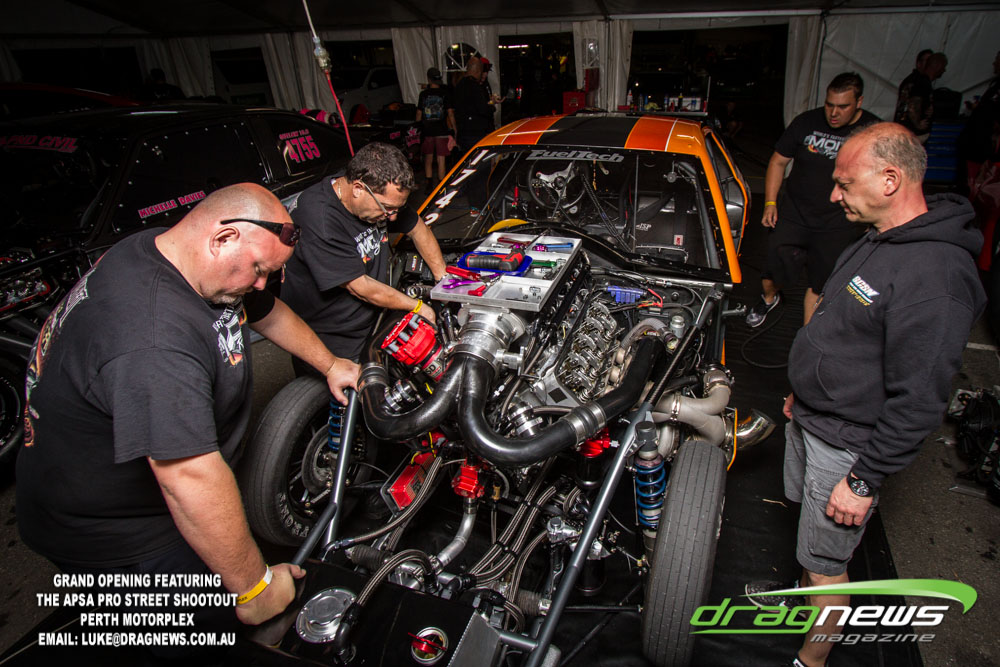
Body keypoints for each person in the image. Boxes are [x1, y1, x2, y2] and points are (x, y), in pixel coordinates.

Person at [16, 184, 360, 651]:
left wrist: (330, 363)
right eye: (259, 270)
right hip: (118, 533)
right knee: (201, 639)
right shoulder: (153, 338)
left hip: (138, 492)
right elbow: (189, 476)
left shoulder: (173, 253)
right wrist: (255, 588)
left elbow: (265, 311)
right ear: (223, 238)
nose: (262, 284)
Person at [746, 123, 986, 667]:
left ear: (890, 180)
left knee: (827, 567)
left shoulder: (938, 280)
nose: (834, 196)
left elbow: (919, 400)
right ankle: (801, 596)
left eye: (844, 184)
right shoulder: (882, 235)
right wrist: (803, 390)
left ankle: (810, 659)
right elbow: (842, 324)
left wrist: (862, 480)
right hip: (814, 416)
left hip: (847, 446)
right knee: (806, 532)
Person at [280, 142, 447, 368]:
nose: (393, 217)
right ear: (358, 188)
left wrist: (443, 280)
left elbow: (417, 228)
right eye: (387, 208)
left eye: (396, 209)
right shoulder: (319, 218)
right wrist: (418, 307)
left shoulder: (373, 188)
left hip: (374, 318)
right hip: (331, 337)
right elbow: (361, 287)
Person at [747, 72, 879, 328]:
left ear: (859, 102)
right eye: (830, 105)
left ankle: (807, 336)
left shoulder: (872, 131)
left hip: (838, 223)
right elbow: (778, 162)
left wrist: (870, 217)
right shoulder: (806, 122)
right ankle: (768, 299)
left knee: (821, 283)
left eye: (843, 106)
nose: (834, 113)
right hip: (794, 215)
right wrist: (770, 203)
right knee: (774, 267)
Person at [416, 67, 456, 189]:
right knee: (440, 159)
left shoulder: (423, 94)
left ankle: (429, 185)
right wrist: (454, 128)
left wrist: (417, 127)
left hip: (427, 130)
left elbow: (419, 113)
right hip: (441, 130)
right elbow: (450, 113)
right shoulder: (445, 93)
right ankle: (441, 186)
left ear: (428, 79)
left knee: (428, 158)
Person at [894, 52, 948, 143]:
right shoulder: (920, 81)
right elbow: (913, 104)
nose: (944, 70)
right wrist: (918, 124)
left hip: (906, 131)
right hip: (912, 133)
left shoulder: (918, 80)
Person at [454, 57, 496, 154]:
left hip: (463, 131)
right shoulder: (475, 87)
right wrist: (492, 106)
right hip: (476, 133)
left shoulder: (459, 85)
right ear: (478, 71)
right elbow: (483, 109)